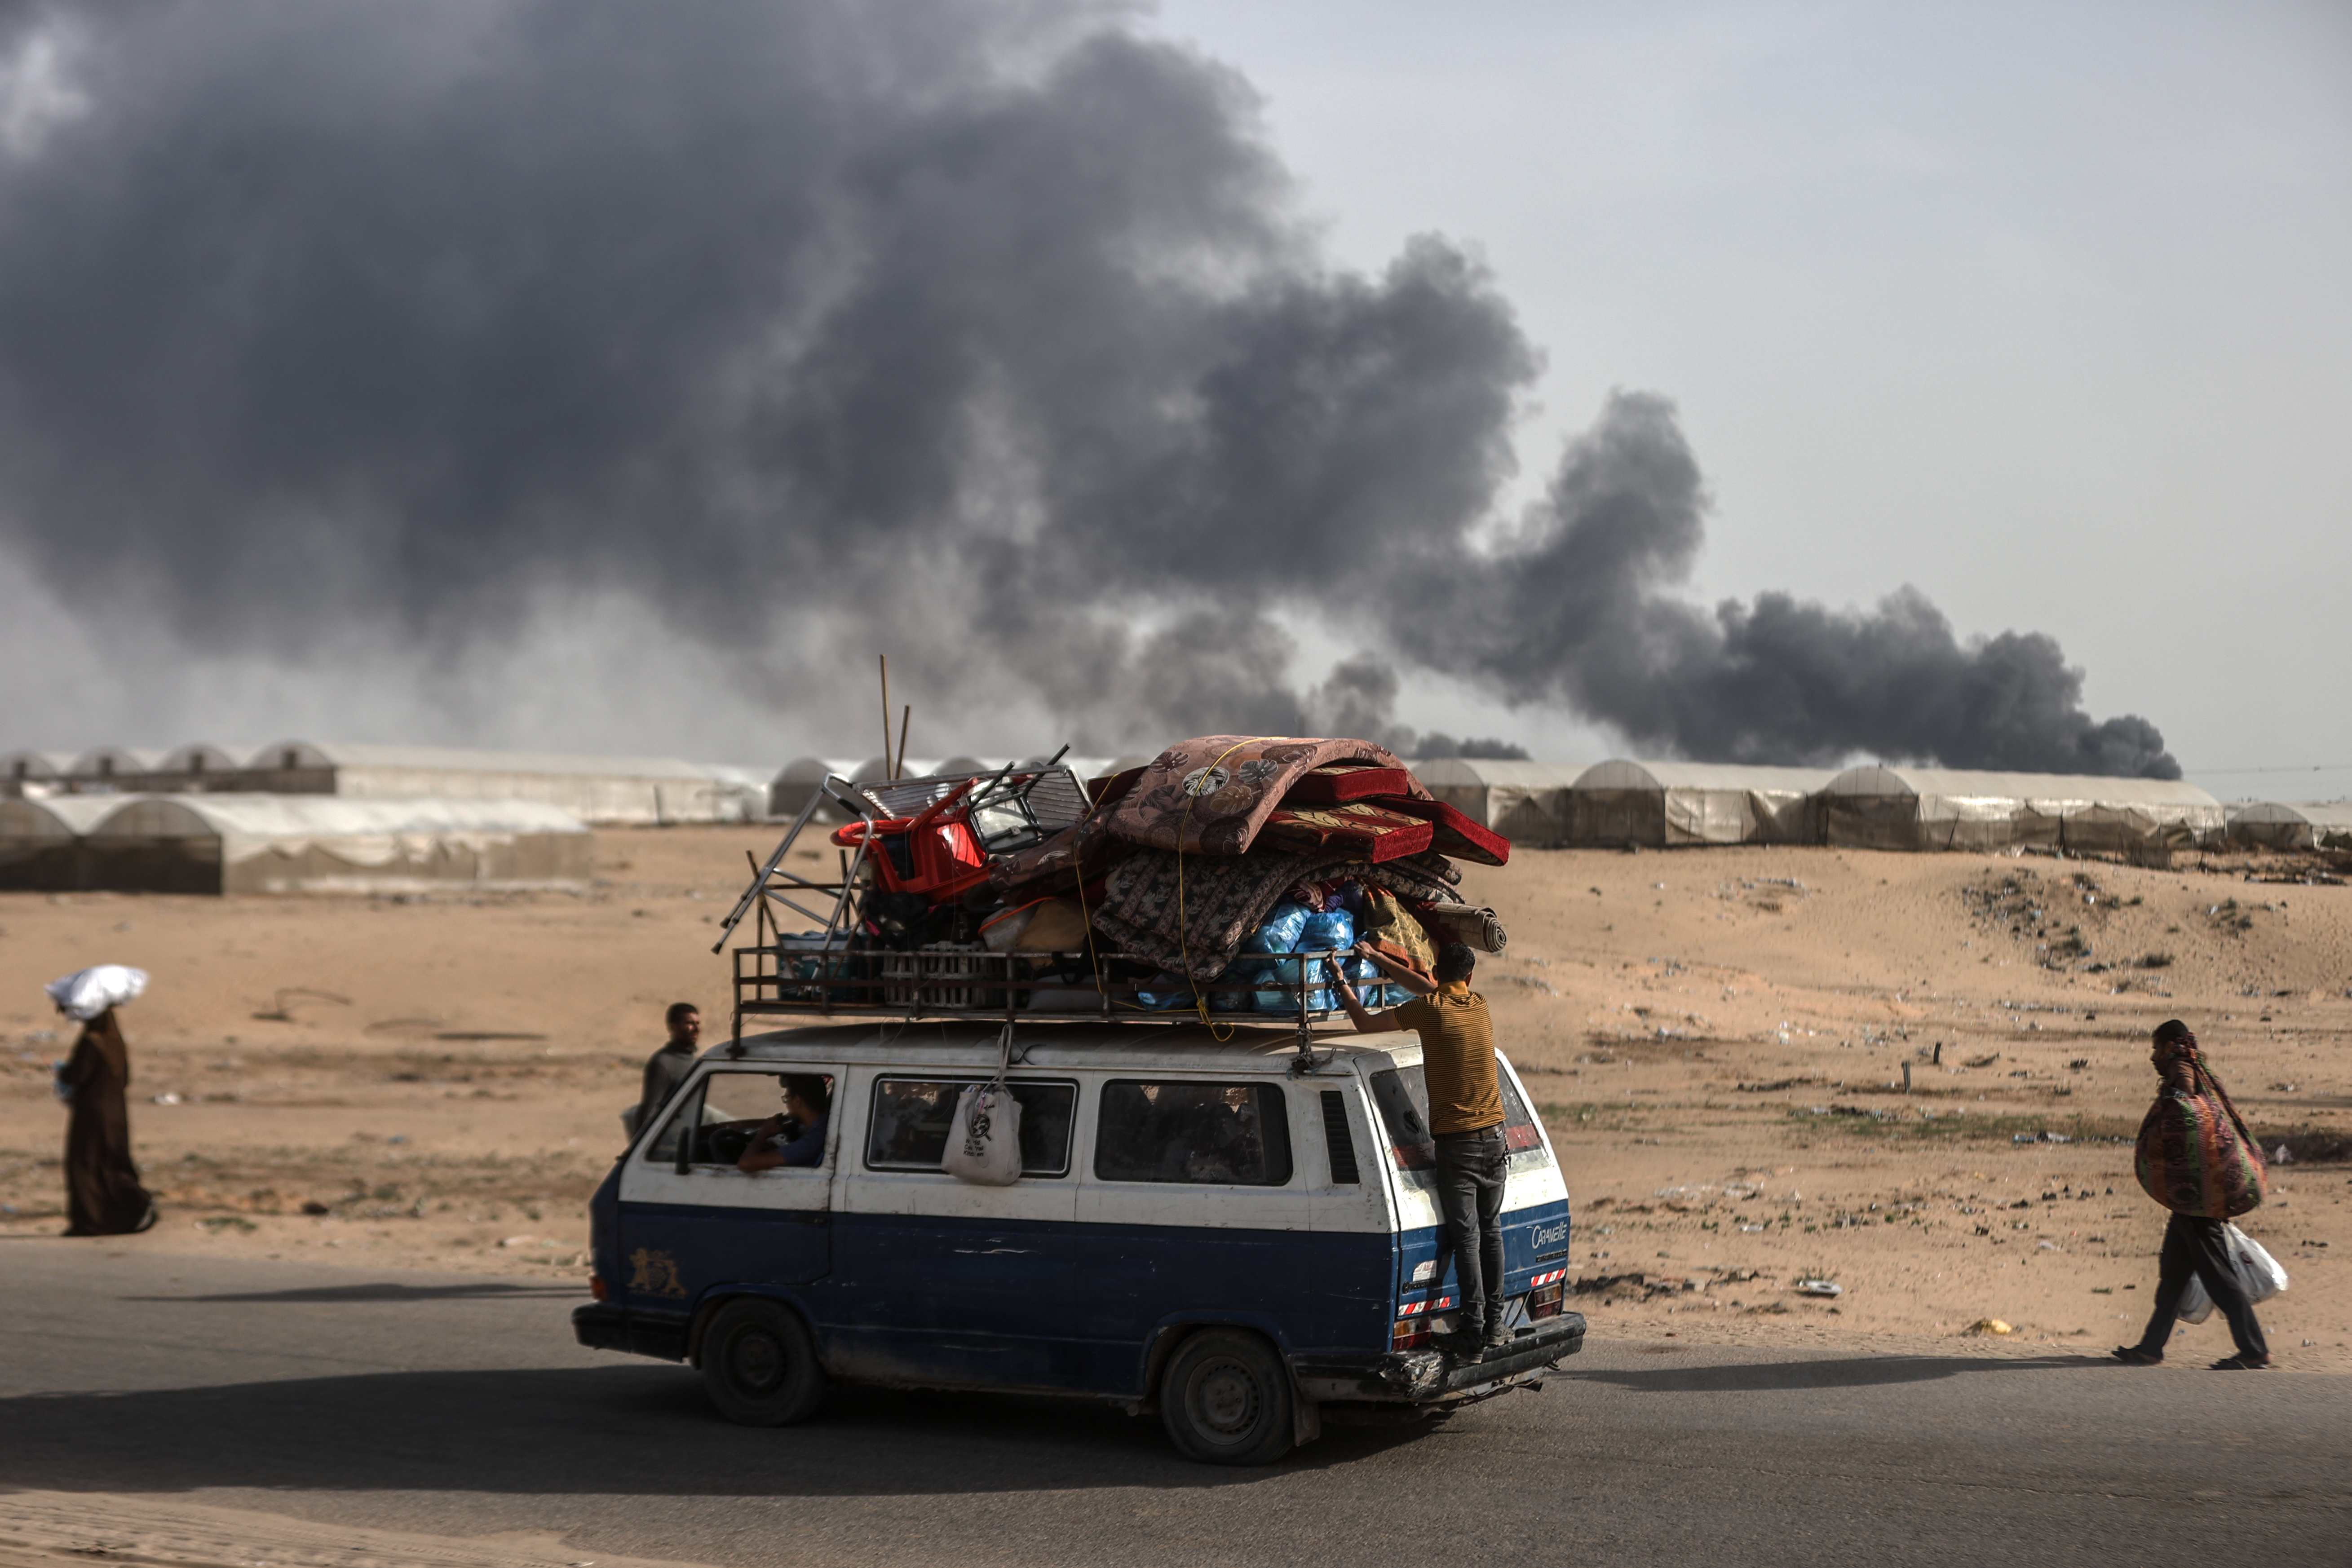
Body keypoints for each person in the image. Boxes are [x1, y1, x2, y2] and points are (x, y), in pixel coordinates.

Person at [1333, 939, 1512, 1354]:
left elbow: (1364, 1024)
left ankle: (1471, 1328)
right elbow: (1428, 987)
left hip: (1461, 1144)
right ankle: (1496, 1326)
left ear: (1438, 970)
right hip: (1496, 1136)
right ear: (1470, 977)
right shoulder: (1479, 1004)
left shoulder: (1429, 1011)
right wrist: (1380, 960)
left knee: (1466, 1239)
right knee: (1492, 1232)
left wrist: (1343, 985)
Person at [2113, 1020, 2271, 1370]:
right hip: (2194, 1197)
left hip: (2198, 1201)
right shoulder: (2193, 1064)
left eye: (2156, 1048)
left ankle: (2254, 1348)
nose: (2153, 1056)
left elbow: (2189, 1112)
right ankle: (2151, 1347)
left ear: (2170, 1045)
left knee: (2218, 1275)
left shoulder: (2181, 1067)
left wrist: (2172, 1112)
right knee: (2173, 1272)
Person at [55, 1004, 157, 1237]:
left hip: (92, 1113)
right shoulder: (116, 1043)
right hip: (116, 1114)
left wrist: (62, 1072)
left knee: (87, 1165)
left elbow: (78, 1075)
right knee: (113, 1162)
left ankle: (93, 1221)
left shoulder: (92, 1042)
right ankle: (135, 1208)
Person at [634, 1003, 702, 1138]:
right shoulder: (664, 1063)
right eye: (690, 1023)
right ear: (674, 1027)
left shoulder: (695, 1061)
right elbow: (650, 1113)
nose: (696, 1029)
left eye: (698, 1023)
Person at [738, 1074, 831, 1171]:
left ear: (797, 1101)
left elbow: (746, 1163)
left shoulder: (814, 1140)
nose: (787, 1104)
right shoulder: (824, 1128)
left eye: (787, 1098)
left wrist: (765, 1132)